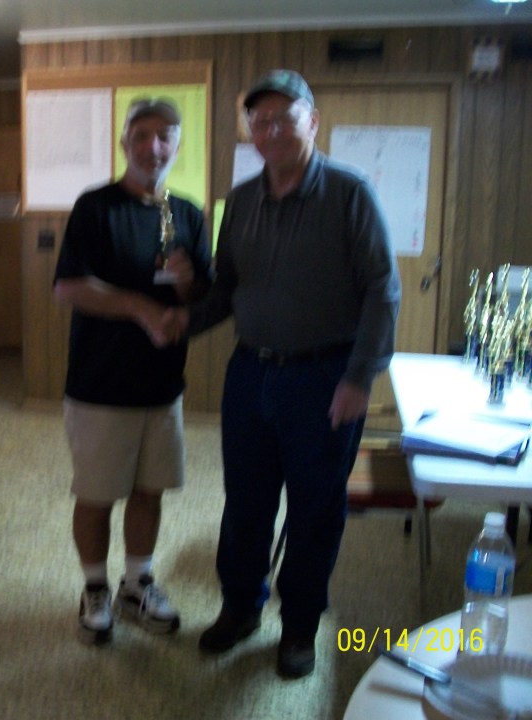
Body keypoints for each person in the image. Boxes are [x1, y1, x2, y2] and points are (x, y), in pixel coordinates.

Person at [169, 70, 401, 678]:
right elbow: (227, 287)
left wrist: (359, 378)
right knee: (245, 502)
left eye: (283, 119)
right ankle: (241, 607)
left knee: (314, 509)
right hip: (250, 374)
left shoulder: (350, 193)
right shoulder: (242, 200)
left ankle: (299, 626)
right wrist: (184, 323)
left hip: (324, 379)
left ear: (312, 123)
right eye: (260, 121)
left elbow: (383, 290)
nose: (270, 131)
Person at [53, 98, 212, 645]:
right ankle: (94, 589)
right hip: (100, 386)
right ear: (124, 143)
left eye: (165, 136)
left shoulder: (188, 214)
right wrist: (140, 308)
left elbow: (201, 297)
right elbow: (68, 287)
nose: (153, 146)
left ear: (177, 145)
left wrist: (186, 285)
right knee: (97, 495)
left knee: (149, 492)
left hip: (162, 386)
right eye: (141, 135)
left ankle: (136, 583)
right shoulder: (95, 207)